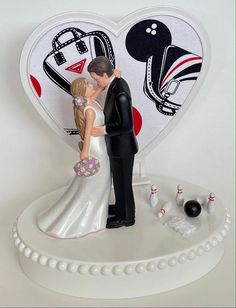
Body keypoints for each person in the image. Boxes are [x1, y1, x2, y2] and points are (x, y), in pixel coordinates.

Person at [37, 77, 113, 238]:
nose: (92, 85)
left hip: (99, 146)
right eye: (88, 85)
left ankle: (97, 218)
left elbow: (100, 88)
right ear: (82, 91)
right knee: (96, 182)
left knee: (100, 182)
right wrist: (85, 152)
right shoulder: (89, 110)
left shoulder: (89, 101)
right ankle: (89, 220)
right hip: (95, 148)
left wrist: (109, 79)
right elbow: (87, 133)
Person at [88, 56, 138, 228]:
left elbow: (126, 125)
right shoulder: (114, 82)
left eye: (95, 78)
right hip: (116, 146)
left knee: (123, 182)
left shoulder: (120, 92)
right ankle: (120, 208)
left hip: (123, 146)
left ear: (103, 75)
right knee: (118, 181)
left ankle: (127, 217)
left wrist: (103, 130)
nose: (95, 82)